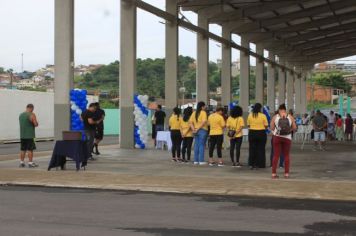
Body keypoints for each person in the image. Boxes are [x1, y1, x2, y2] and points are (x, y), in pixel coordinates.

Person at [270, 104, 297, 179]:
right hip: (287, 138)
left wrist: (276, 131)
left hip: (277, 137)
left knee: (276, 155)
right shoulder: (290, 116)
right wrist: (289, 130)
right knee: (286, 155)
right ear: (285, 109)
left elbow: (271, 127)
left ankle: (273, 173)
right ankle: (286, 174)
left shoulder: (275, 117)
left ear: (279, 109)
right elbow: (294, 128)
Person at [247, 103, 268, 169]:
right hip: (261, 133)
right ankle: (260, 164)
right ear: (260, 108)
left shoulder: (250, 115)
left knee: (252, 149)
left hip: (252, 133)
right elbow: (266, 125)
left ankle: (251, 164)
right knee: (261, 149)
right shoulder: (263, 116)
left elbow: (248, 125)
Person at [19, 104, 39, 168]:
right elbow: (35, 124)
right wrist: (35, 121)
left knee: (23, 149)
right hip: (30, 135)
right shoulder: (31, 115)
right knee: (30, 149)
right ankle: (30, 163)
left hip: (22, 135)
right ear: (31, 108)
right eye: (32, 109)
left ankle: (21, 163)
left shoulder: (21, 115)